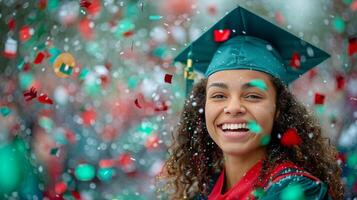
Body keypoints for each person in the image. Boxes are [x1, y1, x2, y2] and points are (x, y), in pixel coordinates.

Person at [161, 6, 344, 200]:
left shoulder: (295, 191)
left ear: (279, 108)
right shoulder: (203, 192)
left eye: (253, 96)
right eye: (219, 95)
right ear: (202, 106)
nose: (233, 108)